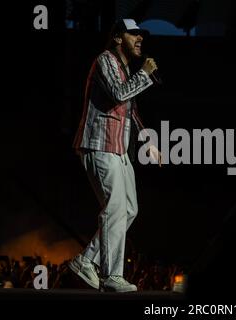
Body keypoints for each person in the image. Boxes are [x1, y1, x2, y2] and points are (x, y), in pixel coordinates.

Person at [69, 18, 161, 292]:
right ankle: (111, 275)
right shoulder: (105, 60)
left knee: (129, 208)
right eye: (134, 34)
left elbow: (130, 109)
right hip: (99, 144)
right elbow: (120, 94)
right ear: (119, 38)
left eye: (141, 35)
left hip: (119, 148)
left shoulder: (124, 68)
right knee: (116, 208)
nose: (140, 39)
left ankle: (86, 260)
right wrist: (144, 75)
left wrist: (148, 140)